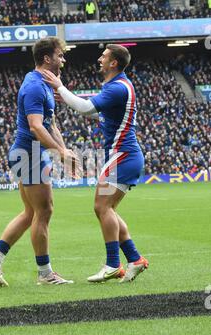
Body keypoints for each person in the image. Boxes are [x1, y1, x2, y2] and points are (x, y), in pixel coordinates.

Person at [42, 44, 149, 283]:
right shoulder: (118, 86)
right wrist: (66, 96)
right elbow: (99, 114)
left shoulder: (117, 88)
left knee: (102, 208)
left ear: (113, 63)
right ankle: (135, 259)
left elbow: (86, 107)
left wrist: (60, 87)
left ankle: (113, 264)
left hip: (123, 156)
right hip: (124, 156)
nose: (99, 59)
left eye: (104, 56)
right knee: (106, 209)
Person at [0, 37, 79, 287]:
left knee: (30, 213)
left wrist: (63, 152)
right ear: (47, 58)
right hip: (30, 153)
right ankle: (45, 274)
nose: (63, 60)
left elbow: (50, 124)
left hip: (30, 152)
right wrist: (60, 152)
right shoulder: (35, 86)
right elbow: (35, 126)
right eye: (60, 55)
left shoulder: (44, 84)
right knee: (44, 212)